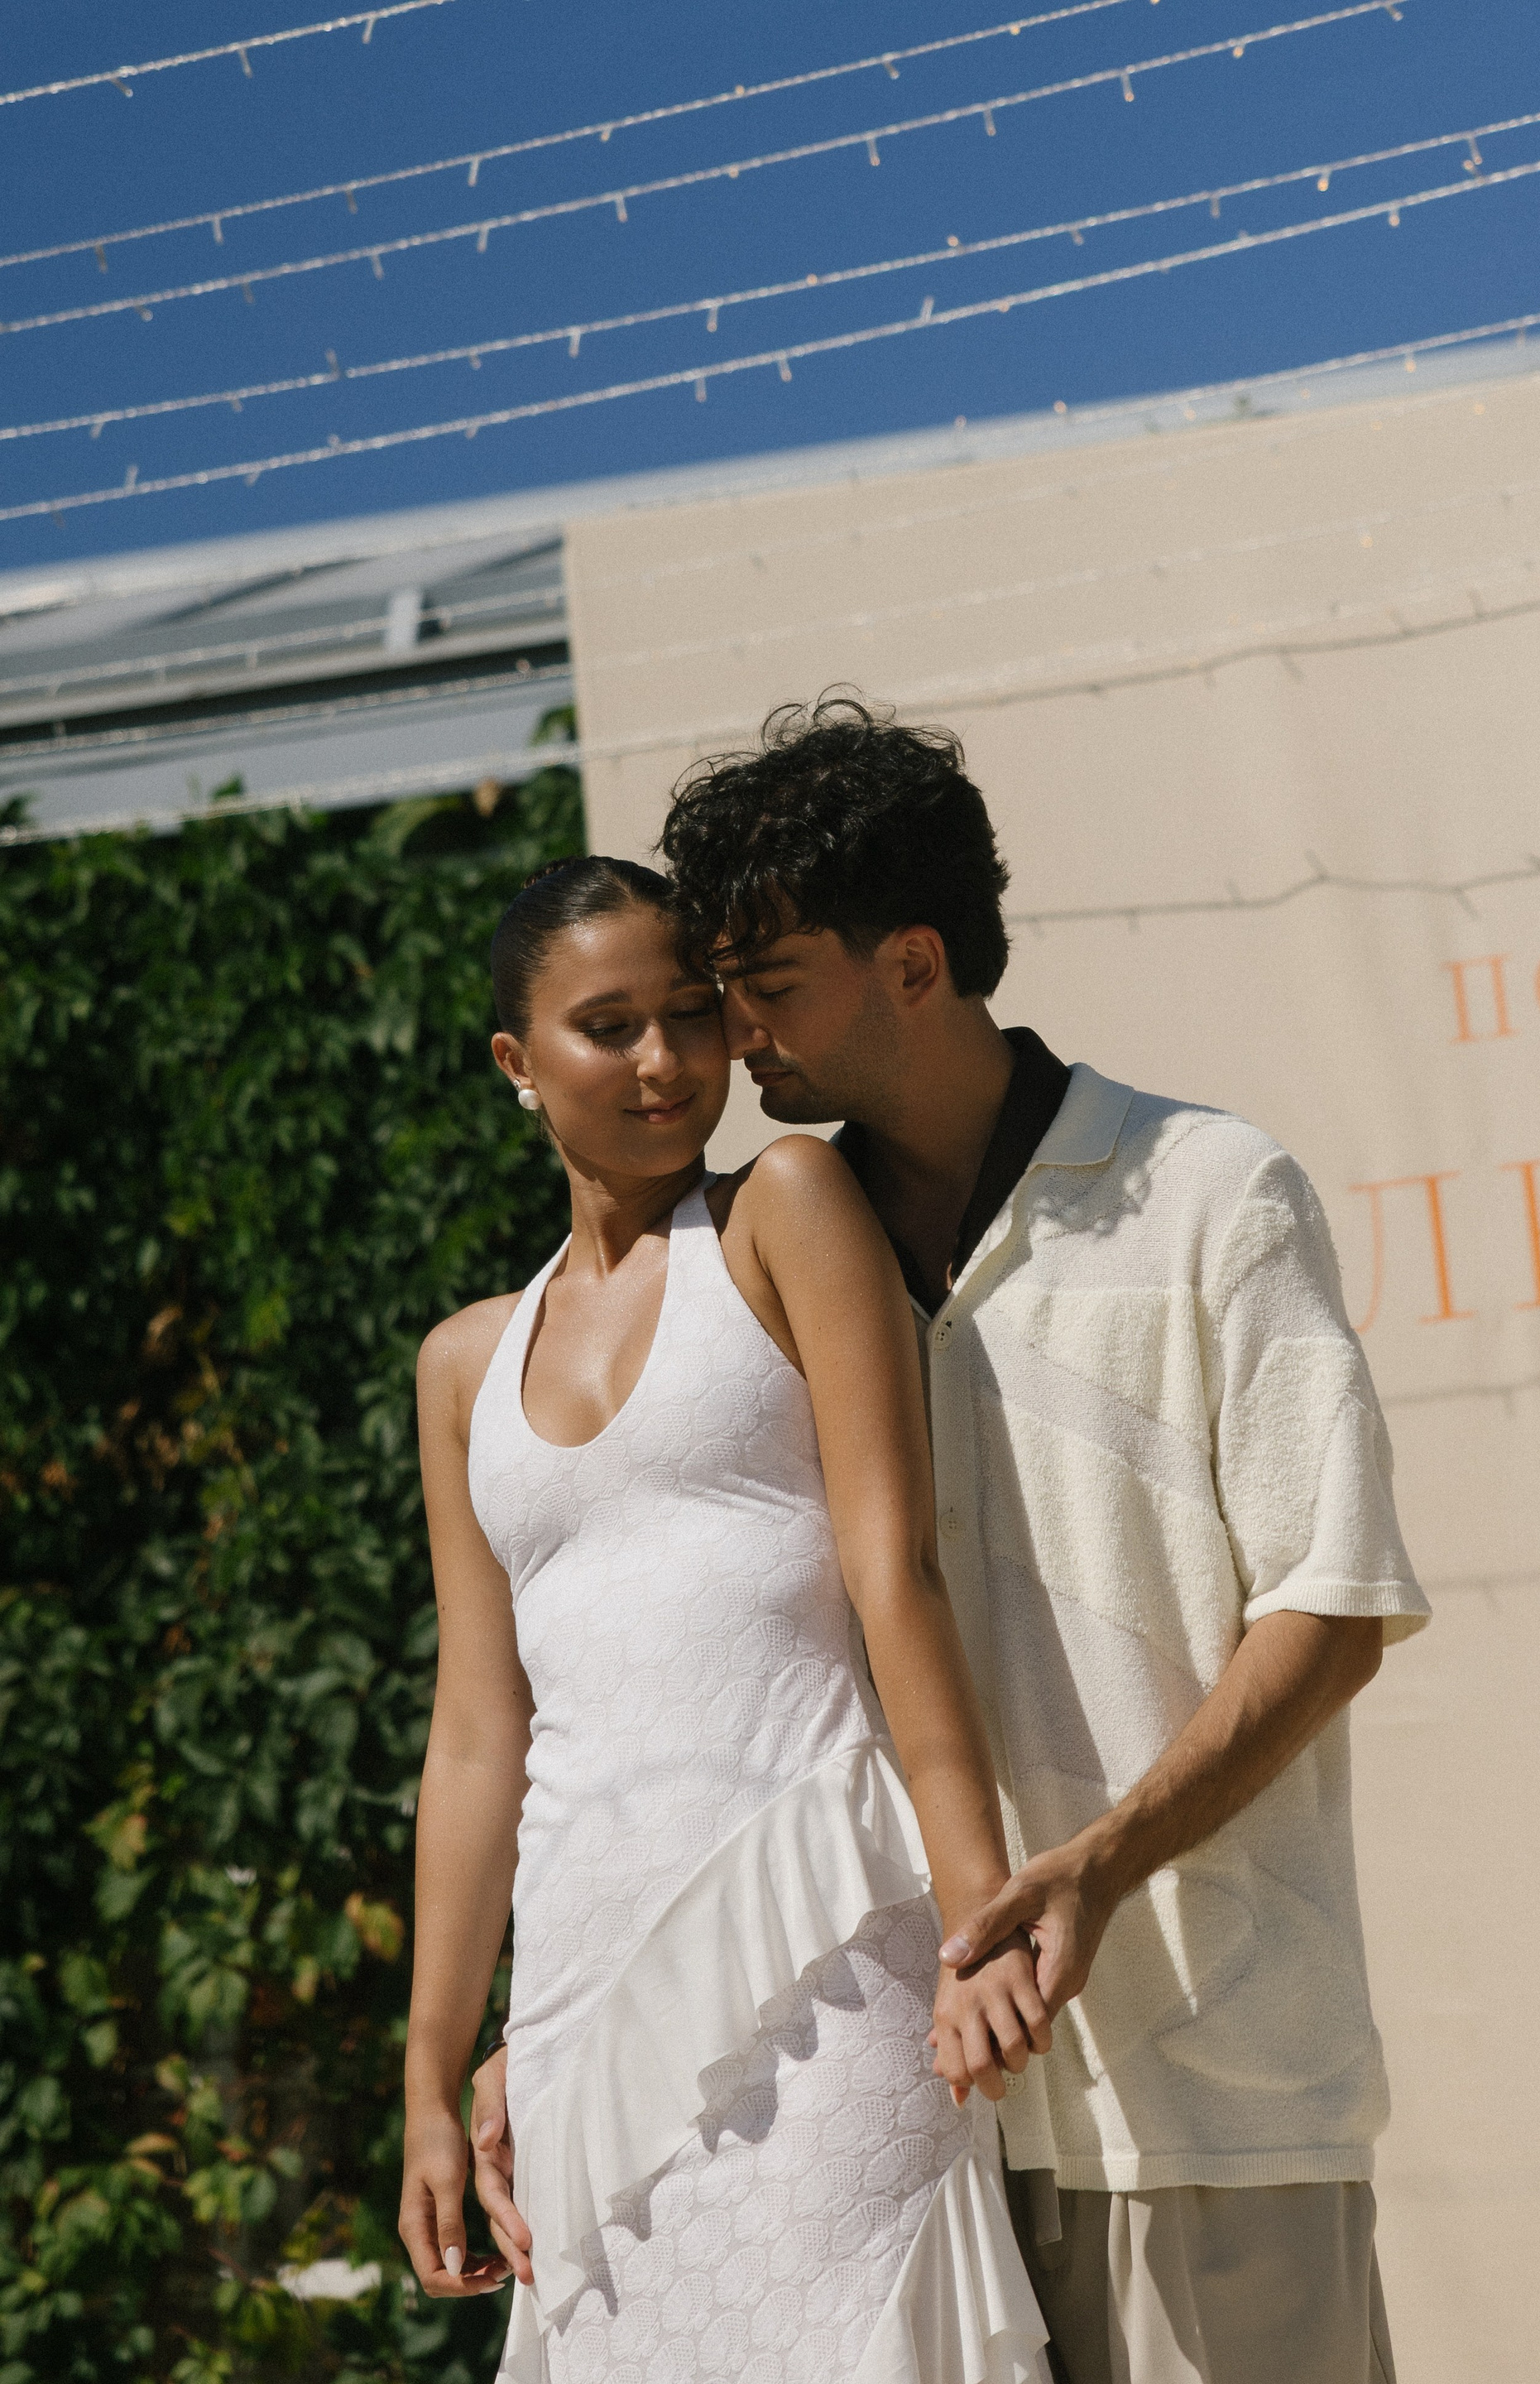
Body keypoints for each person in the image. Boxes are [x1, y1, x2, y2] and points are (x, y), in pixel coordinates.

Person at [538, 693, 1424, 2384]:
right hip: (904, 2117)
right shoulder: (775, 1259)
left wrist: (1099, 1864)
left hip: (1212, 2096)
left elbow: (1333, 1610)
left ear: (916, 964)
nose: (734, 1037)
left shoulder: (1212, 1193)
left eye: (768, 984)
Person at [397, 853, 1054, 2384]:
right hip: (583, 1998)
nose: (665, 1061)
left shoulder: (785, 1209)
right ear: (516, 1061)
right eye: (608, 1027)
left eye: (691, 1015)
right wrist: (432, 2075)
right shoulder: (461, 1367)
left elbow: (899, 1575)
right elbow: (478, 1736)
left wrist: (980, 1918)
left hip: (827, 1952)